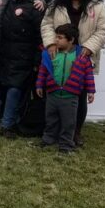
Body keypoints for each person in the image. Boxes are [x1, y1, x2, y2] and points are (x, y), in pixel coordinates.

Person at [41, 0, 105, 146]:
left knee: (79, 96)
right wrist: (50, 44)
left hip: (82, 56)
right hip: (59, 54)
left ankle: (75, 133)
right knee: (56, 93)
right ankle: (53, 132)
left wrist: (88, 48)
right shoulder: (57, 3)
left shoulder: (97, 5)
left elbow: (103, 30)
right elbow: (47, 24)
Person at [36, 24, 96, 153]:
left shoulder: (82, 56)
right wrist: (39, 85)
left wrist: (91, 91)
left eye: (60, 37)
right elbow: (43, 70)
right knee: (51, 120)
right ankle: (48, 139)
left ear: (71, 40)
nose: (56, 40)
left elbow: (88, 75)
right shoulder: (50, 54)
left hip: (70, 97)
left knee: (69, 123)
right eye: (56, 37)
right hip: (52, 95)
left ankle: (66, 145)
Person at [0, 0, 43, 138]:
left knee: (15, 89)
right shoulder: (9, 4)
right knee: (8, 87)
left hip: (24, 56)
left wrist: (37, 57)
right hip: (6, 54)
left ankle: (7, 124)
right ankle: (10, 119)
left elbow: (40, 36)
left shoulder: (34, 8)